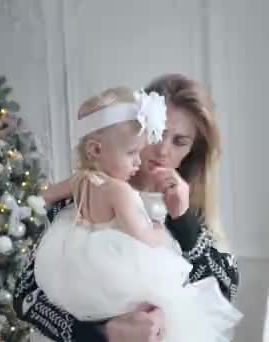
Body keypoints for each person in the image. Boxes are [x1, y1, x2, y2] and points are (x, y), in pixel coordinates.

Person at [13, 74, 240, 342]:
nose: (163, 150)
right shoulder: (84, 195)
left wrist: (183, 220)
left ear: (192, 150)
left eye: (179, 141)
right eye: (159, 133)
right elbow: (25, 296)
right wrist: (104, 333)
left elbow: (225, 288)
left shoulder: (188, 210)